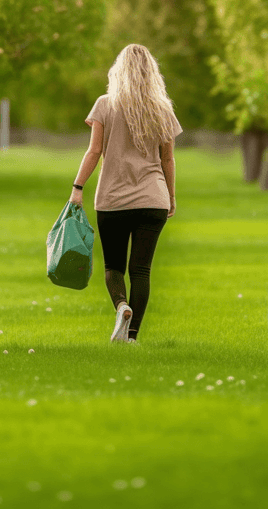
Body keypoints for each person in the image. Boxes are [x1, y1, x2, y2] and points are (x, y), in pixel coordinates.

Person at [69, 43, 182, 343]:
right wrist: (170, 197)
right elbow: (167, 159)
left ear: (118, 70)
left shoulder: (105, 104)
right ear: (152, 73)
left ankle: (122, 306)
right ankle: (131, 337)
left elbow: (94, 151)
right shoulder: (162, 109)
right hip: (152, 198)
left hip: (113, 200)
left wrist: (77, 188)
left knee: (114, 267)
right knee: (141, 270)